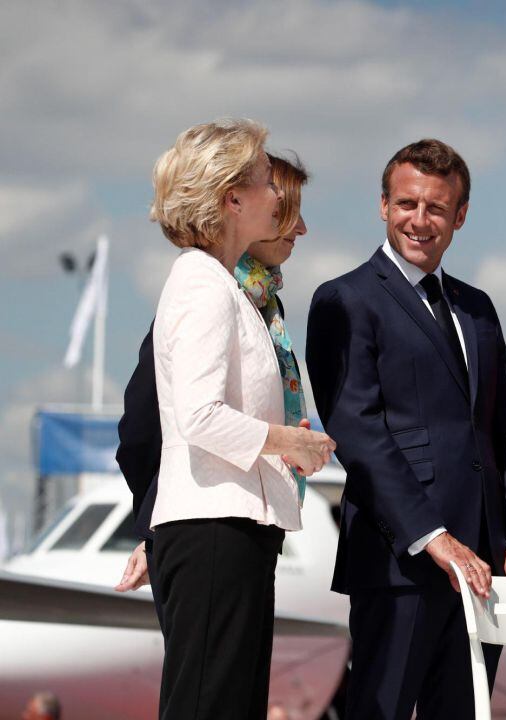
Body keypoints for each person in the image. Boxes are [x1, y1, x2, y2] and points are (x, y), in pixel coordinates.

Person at [305, 138, 506, 720]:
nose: (419, 220)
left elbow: (504, 436)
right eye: (406, 204)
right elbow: (358, 430)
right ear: (383, 206)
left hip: (483, 570)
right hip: (400, 562)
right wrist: (432, 536)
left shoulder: (478, 308)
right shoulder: (344, 299)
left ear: (460, 216)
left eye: (436, 209)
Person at [145, 119, 335, 720]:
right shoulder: (203, 285)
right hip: (212, 531)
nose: (277, 195)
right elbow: (199, 415)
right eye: (263, 181)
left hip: (231, 528)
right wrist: (289, 444)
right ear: (232, 199)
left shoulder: (221, 285)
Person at [114, 152, 312, 607]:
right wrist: (154, 532)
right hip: (206, 530)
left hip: (251, 527)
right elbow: (142, 432)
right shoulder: (208, 291)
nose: (301, 229)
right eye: (289, 213)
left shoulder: (262, 303)